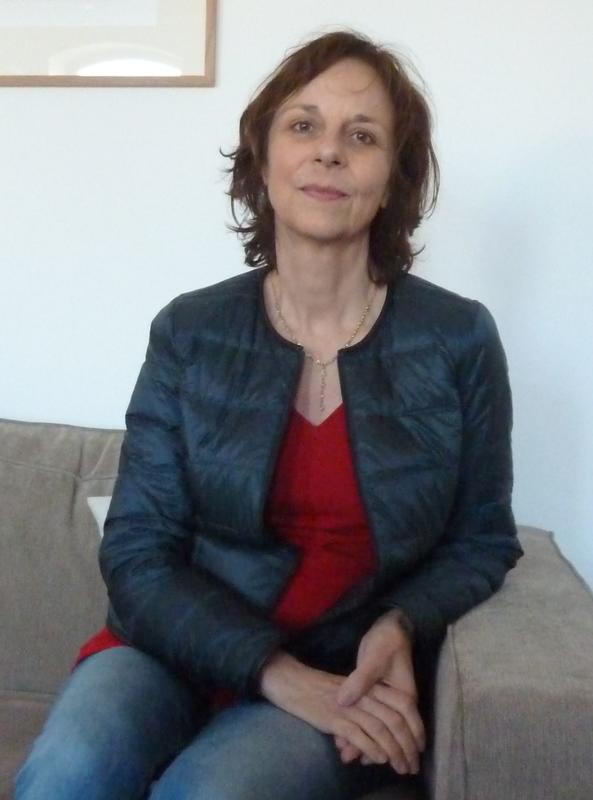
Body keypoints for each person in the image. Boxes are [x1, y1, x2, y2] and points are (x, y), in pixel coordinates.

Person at [14, 29, 523, 800]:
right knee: (67, 774)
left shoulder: (456, 338)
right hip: (168, 650)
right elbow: (138, 551)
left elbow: (482, 538)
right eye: (303, 126)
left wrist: (397, 624)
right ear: (261, 158)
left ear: (393, 178)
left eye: (361, 136)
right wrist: (273, 672)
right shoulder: (190, 331)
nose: (329, 152)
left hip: (339, 671)